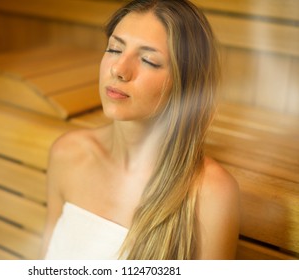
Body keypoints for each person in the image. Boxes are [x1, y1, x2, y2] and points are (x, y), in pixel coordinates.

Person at [40, 0, 240, 260]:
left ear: (187, 84)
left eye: (148, 60)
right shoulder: (68, 154)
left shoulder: (210, 195)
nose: (119, 69)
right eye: (114, 49)